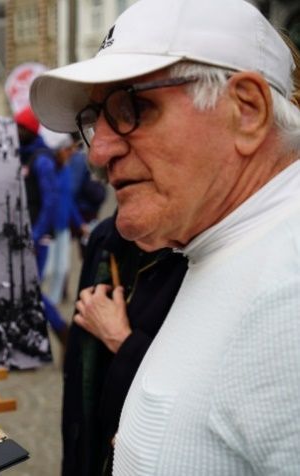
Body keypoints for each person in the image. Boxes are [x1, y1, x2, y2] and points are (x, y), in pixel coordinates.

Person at [31, 0, 300, 472]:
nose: (99, 153)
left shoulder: (287, 297)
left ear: (247, 111)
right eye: (96, 119)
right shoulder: (221, 245)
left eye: (133, 107)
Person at [62, 214, 187, 475]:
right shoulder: (106, 236)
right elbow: (78, 379)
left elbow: (191, 393)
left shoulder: (197, 252)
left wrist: (121, 340)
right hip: (90, 439)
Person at [15, 105, 66, 338]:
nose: (15, 131)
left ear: (29, 130)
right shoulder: (24, 155)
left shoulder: (42, 160)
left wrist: (35, 236)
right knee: (26, 290)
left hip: (38, 238)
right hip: (27, 235)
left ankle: (62, 329)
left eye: (19, 127)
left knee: (30, 290)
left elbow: (50, 202)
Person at [39, 130, 86, 305]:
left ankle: (51, 305)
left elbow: (69, 200)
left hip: (63, 227)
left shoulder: (66, 169)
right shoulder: (47, 169)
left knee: (62, 269)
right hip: (49, 229)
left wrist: (79, 223)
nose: (71, 152)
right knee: (47, 270)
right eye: (67, 149)